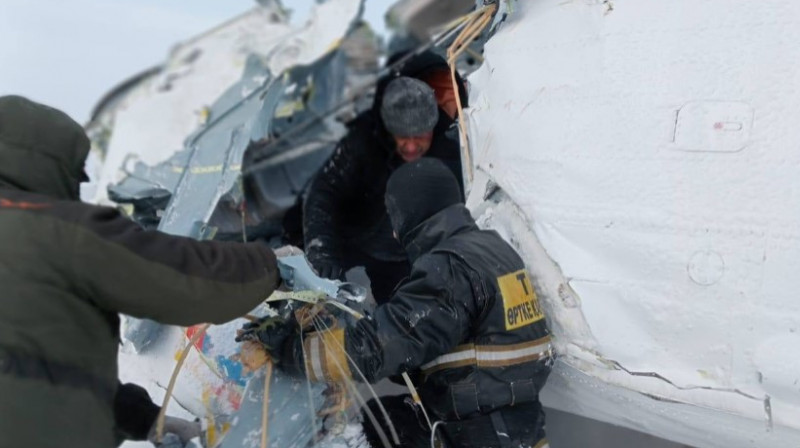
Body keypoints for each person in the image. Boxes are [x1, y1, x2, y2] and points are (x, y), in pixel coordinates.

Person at [0, 95, 281, 447]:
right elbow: (184, 280)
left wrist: (141, 418)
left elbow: (28, 362)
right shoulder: (52, 228)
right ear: (44, 162)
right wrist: (270, 266)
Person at [242, 159, 553, 448]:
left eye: (395, 217)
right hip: (513, 424)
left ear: (413, 213)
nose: (393, 231)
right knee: (383, 419)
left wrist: (291, 350)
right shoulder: (490, 249)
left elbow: (378, 349)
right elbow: (429, 338)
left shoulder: (450, 267)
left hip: (483, 435)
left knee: (361, 433)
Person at [302, 70, 464, 302]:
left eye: (420, 137)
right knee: (315, 285)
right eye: (403, 137)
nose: (411, 147)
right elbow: (323, 192)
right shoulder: (360, 142)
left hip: (398, 254)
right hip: (350, 236)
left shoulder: (450, 150)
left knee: (406, 312)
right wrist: (321, 249)